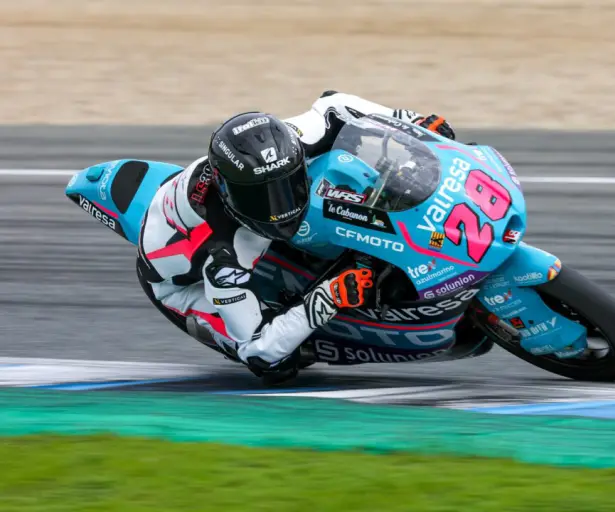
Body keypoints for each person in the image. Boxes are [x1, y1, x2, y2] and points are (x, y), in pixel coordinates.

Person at [136, 91, 455, 383]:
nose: (280, 208)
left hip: (247, 230)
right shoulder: (223, 257)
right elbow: (258, 349)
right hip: (184, 286)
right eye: (264, 198)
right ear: (228, 194)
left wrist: (412, 120)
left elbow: (335, 103)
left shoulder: (292, 143)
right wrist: (329, 296)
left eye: (288, 186)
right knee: (279, 365)